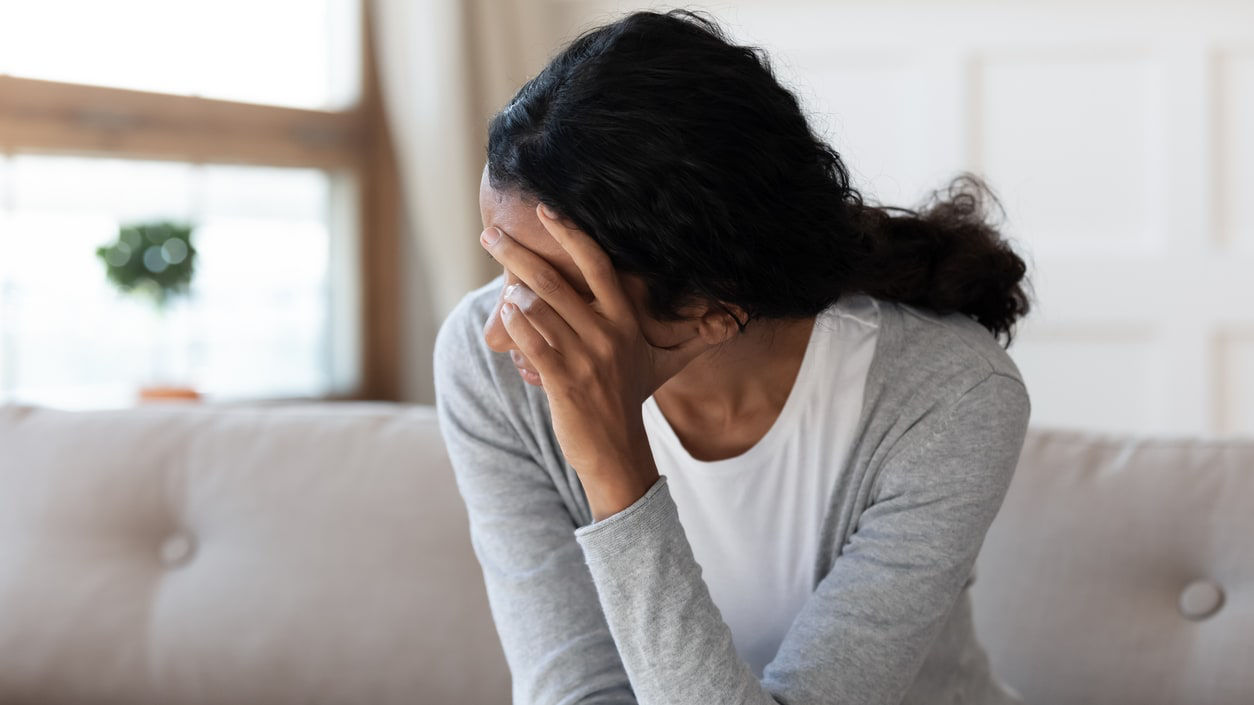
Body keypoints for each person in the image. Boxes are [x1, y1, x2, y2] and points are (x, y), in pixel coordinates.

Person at [434, 9, 1033, 705]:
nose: (502, 332)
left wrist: (616, 467)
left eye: (556, 289)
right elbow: (575, 692)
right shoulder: (486, 371)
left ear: (713, 311)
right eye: (506, 269)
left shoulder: (951, 398)